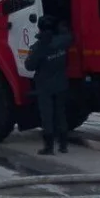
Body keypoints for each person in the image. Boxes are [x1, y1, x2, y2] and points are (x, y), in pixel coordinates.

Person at [24, 15, 74, 155]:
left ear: (39, 28)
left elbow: (29, 66)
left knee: (47, 116)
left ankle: (49, 147)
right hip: (61, 83)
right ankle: (63, 145)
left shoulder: (39, 47)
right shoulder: (63, 41)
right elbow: (70, 36)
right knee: (61, 114)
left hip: (45, 86)